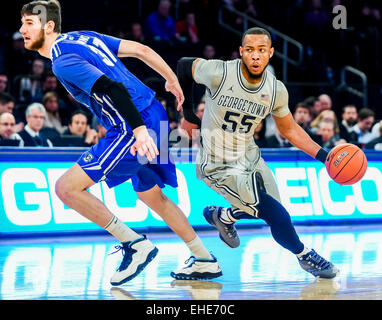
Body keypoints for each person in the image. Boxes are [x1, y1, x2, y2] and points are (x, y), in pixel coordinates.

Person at [19, 0, 221, 285]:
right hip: (154, 112)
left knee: (66, 188)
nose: (22, 29)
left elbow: (113, 88)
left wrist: (138, 131)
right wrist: (171, 79)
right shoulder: (83, 36)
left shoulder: (63, 61)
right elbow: (142, 50)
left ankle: (134, 244)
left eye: (29, 23)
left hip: (132, 126)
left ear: (48, 26)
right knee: (152, 196)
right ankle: (204, 259)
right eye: (23, 23)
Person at [177, 27, 339, 279]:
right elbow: (184, 65)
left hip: (250, 157)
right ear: (241, 52)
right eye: (249, 50)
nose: (255, 56)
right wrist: (187, 114)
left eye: (261, 50)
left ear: (270, 53)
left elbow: (289, 129)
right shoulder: (220, 71)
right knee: (276, 214)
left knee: (272, 210)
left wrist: (325, 156)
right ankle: (305, 254)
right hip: (219, 165)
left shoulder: (276, 90)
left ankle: (223, 215)